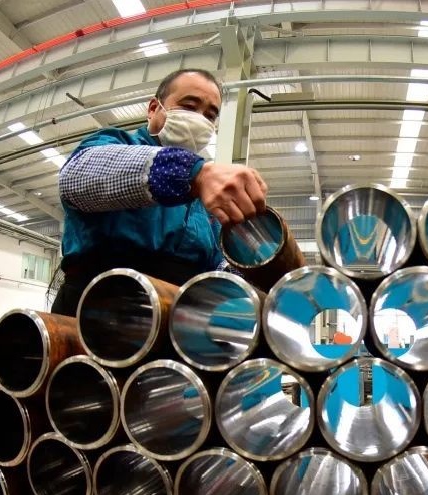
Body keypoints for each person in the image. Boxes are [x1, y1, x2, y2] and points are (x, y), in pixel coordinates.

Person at [51, 68, 268, 316]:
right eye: (189, 106)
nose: (200, 120)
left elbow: (219, 264)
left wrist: (256, 274)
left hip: (175, 318)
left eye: (210, 115)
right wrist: (193, 173)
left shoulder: (205, 201)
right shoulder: (117, 145)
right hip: (95, 308)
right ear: (154, 108)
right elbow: (75, 178)